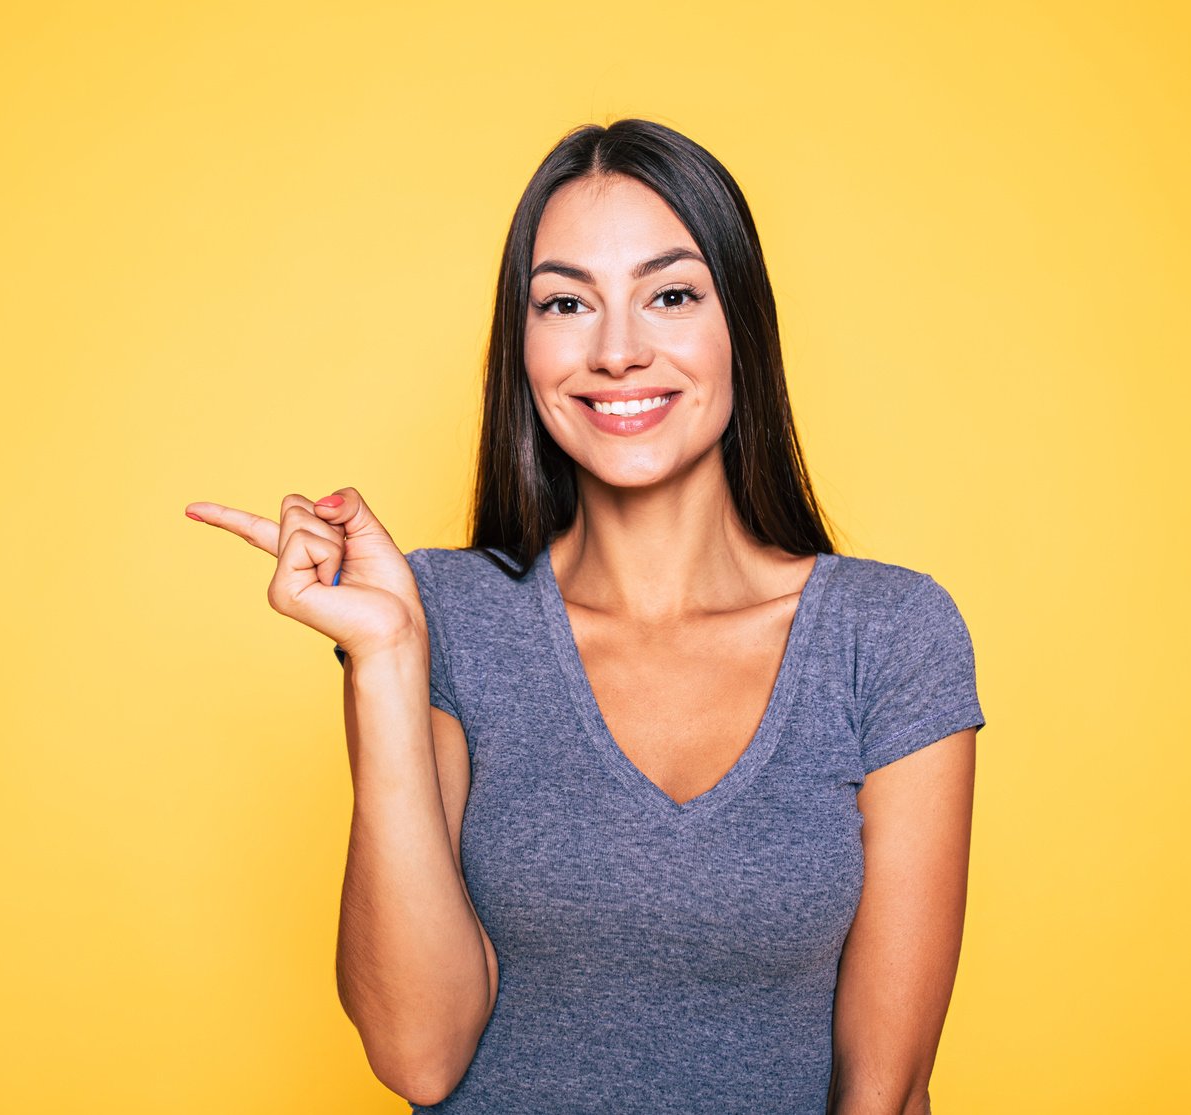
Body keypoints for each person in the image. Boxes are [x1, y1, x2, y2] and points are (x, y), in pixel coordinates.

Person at [182, 118, 985, 1113]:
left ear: (740, 324)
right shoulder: (441, 614)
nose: (614, 350)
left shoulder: (888, 635)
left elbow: (887, 1089)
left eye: (670, 294)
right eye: (565, 302)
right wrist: (387, 655)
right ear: (522, 347)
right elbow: (415, 1052)